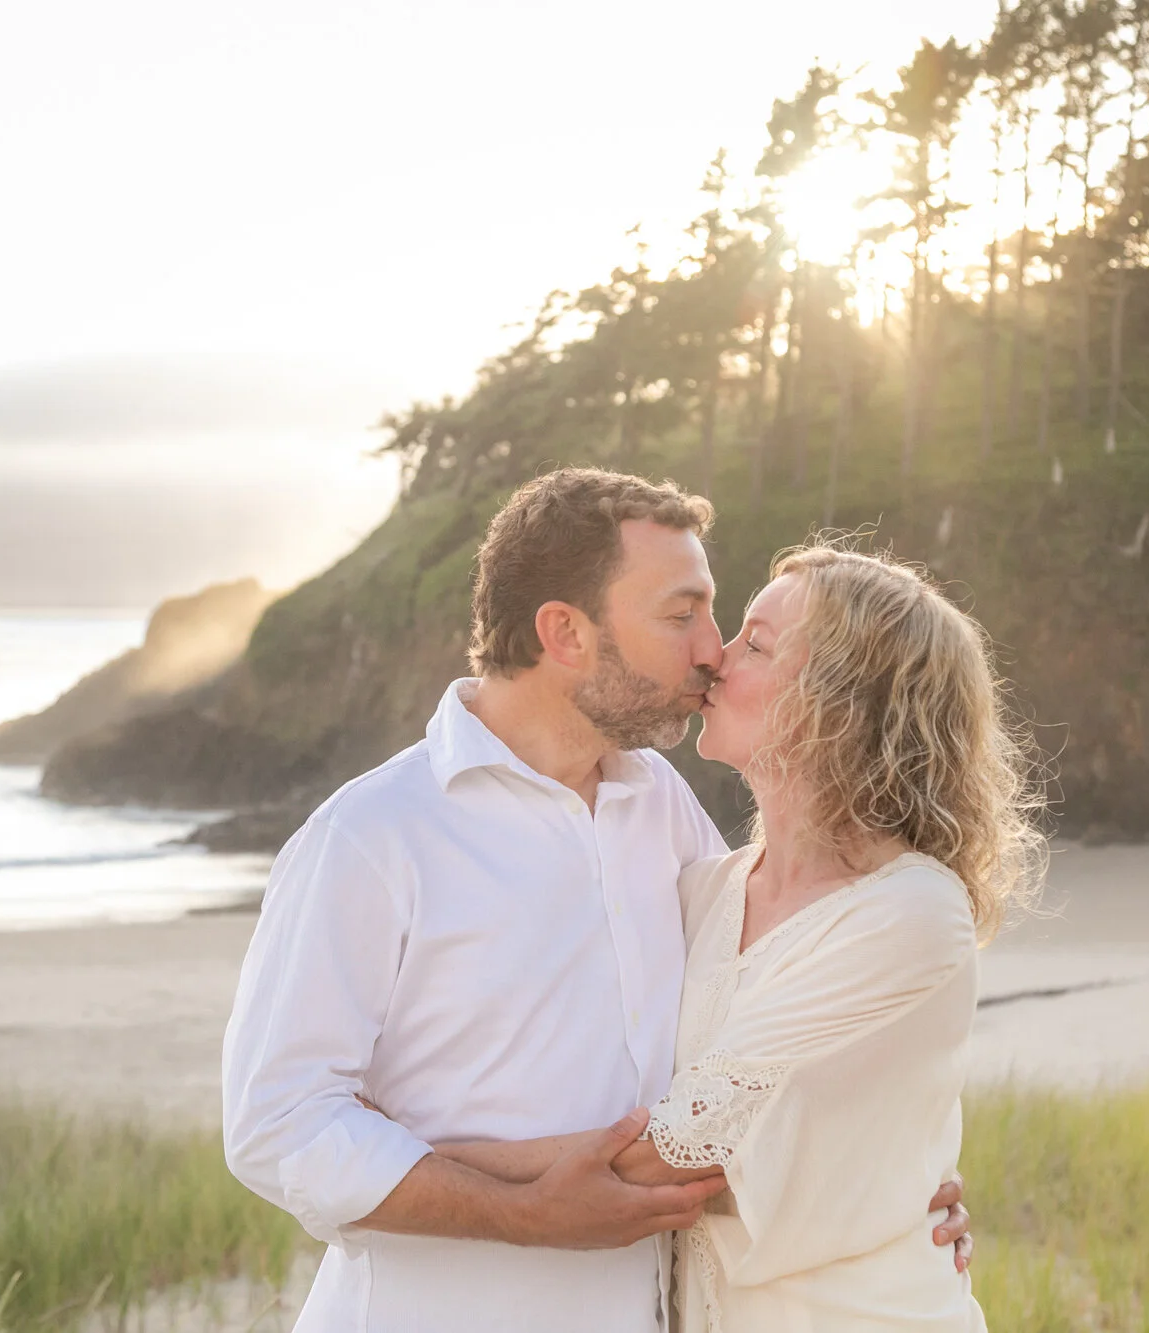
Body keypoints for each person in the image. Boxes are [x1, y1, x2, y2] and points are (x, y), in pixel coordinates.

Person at [221, 469, 971, 1333]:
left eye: (719, 618)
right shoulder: (372, 834)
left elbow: (776, 1024)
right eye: (680, 613)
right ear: (566, 632)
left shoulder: (662, 810)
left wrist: (896, 1179)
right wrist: (517, 1210)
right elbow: (276, 1124)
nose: (711, 649)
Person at [437, 543, 1044, 1330]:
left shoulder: (910, 912)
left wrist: (409, 1165)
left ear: (838, 701)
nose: (713, 660)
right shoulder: (703, 890)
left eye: (754, 643)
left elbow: (672, 1155)